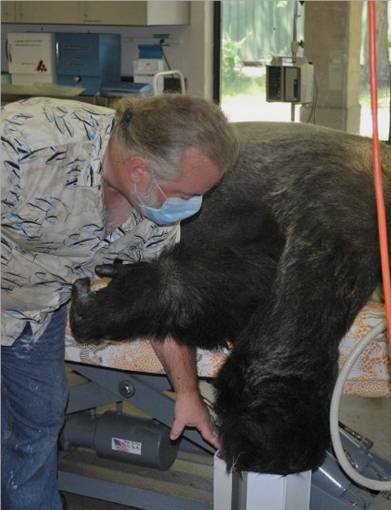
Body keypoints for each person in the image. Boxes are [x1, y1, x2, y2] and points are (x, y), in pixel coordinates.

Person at [1, 94, 238, 510]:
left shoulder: (153, 212)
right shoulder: (26, 145)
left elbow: (157, 300)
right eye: (185, 194)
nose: (191, 206)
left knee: (39, 421)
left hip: (34, 311)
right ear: (139, 171)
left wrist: (188, 393)